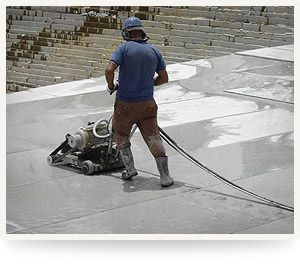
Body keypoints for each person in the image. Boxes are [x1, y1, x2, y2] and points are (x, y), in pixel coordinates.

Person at [105, 16, 174, 187]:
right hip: (147, 105)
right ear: (141, 32)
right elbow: (164, 78)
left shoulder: (123, 49)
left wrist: (111, 85)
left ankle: (129, 169)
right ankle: (165, 177)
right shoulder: (154, 50)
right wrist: (149, 83)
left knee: (121, 134)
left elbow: (109, 69)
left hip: (125, 105)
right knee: (153, 137)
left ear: (126, 33)